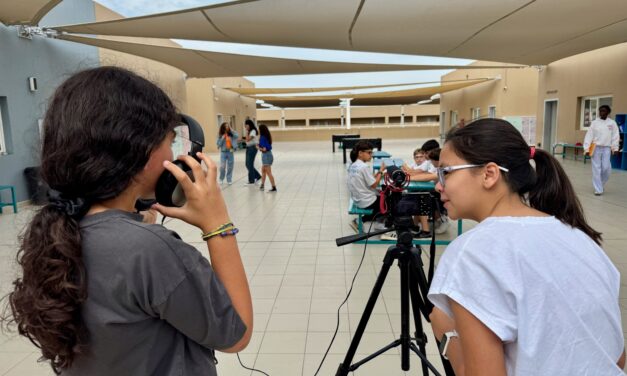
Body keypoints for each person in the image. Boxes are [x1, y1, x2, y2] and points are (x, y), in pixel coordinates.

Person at [1, 67, 253, 375]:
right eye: (169, 142)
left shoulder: (60, 229)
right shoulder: (149, 250)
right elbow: (235, 334)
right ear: (142, 151)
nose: (172, 154)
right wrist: (219, 225)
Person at [428, 118, 624, 376]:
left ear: (489, 174)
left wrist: (445, 332)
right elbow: (616, 358)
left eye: (446, 172)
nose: (438, 185)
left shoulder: (472, 253)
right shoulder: (580, 238)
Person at [347, 141, 385, 231]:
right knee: (387, 201)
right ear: (360, 153)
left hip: (357, 199)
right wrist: (381, 171)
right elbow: (374, 184)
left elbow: (369, 180)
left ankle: (359, 221)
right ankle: (379, 224)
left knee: (380, 198)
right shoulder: (363, 167)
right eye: (369, 152)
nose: (371, 155)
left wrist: (379, 174)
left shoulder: (353, 165)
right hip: (365, 201)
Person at [583, 104, 620, 195]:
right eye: (600, 111)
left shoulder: (612, 123)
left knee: (606, 168)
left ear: (608, 112)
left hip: (607, 148)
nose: (602, 112)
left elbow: (615, 136)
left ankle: (600, 184)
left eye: (604, 111)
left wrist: (615, 148)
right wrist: (587, 149)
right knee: (596, 169)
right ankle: (598, 189)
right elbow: (589, 136)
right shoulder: (595, 123)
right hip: (595, 147)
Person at [257, 124, 277, 192]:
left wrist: (258, 147)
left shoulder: (262, 137)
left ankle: (274, 187)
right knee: (263, 170)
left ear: (261, 130)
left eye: (259, 129)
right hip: (268, 155)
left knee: (268, 172)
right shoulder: (266, 136)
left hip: (266, 155)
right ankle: (262, 185)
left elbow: (264, 149)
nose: (258, 130)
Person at [243, 119, 262, 185]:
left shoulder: (253, 131)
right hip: (249, 148)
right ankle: (258, 176)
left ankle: (251, 180)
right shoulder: (250, 131)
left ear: (249, 124)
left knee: (249, 164)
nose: (245, 126)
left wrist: (246, 132)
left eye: (246, 125)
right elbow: (246, 139)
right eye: (245, 125)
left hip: (252, 148)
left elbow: (248, 139)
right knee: (247, 164)